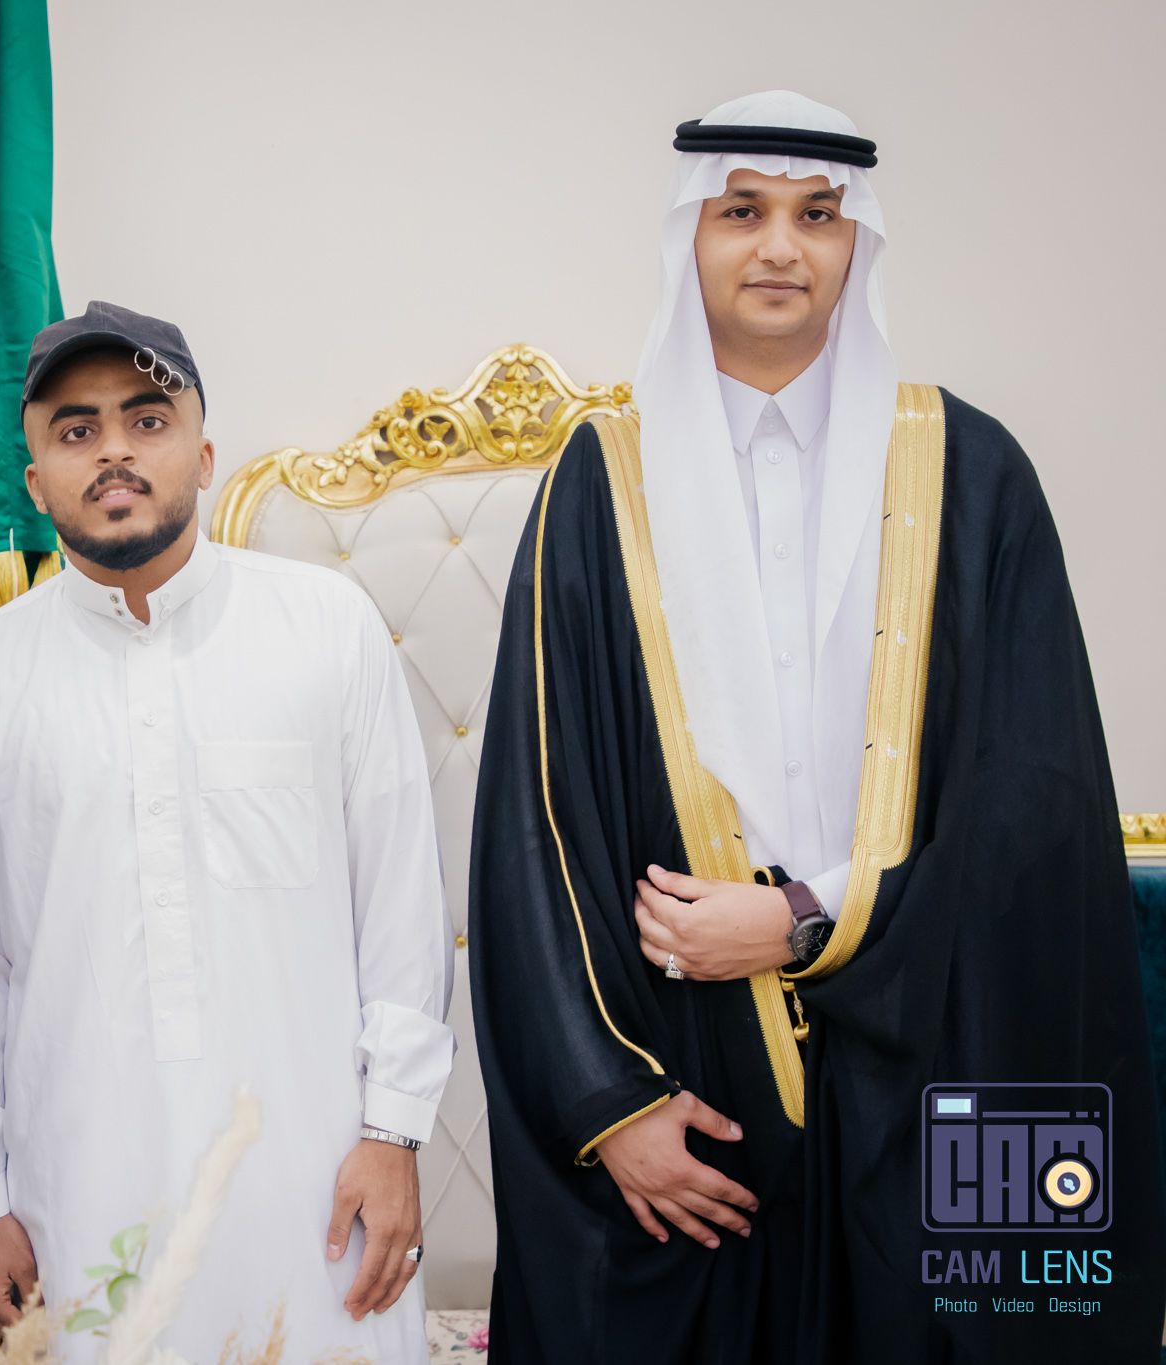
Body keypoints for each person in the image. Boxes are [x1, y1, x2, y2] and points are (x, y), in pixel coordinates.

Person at [467, 90, 1165, 1362]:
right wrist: (606, 1101)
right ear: (689, 235)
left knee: (989, 1289)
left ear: (858, 242)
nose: (779, 247)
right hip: (679, 1062)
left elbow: (1035, 804)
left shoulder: (973, 472)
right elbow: (533, 824)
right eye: (740, 212)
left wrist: (803, 917)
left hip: (940, 1034)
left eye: (816, 215)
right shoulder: (599, 479)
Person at [0, 302, 454, 1362]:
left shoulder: (326, 627)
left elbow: (399, 900)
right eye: (75, 429)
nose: (113, 450)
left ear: (204, 456)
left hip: (316, 1187)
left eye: (146, 419)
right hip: (77, 1192)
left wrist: (393, 1130)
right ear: (35, 484)